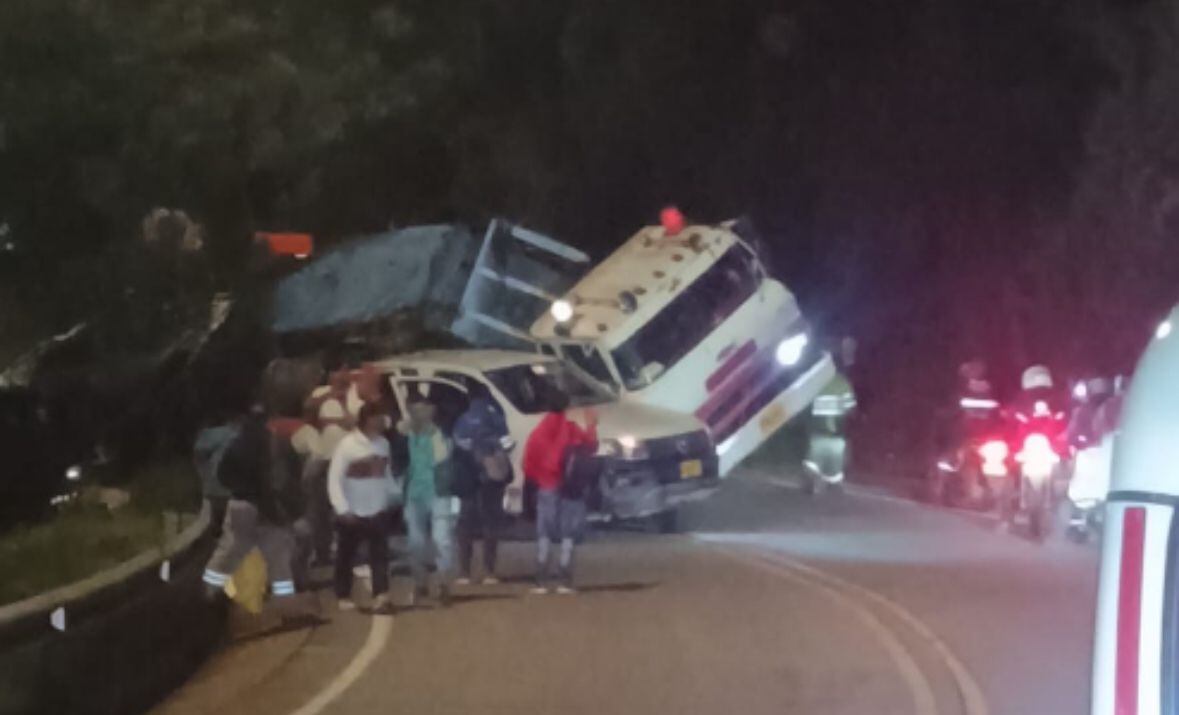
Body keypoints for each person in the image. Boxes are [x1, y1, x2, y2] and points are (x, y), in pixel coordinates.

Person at [201, 405, 305, 611]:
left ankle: (209, 591)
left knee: (230, 551)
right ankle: (285, 605)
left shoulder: (236, 444)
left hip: (240, 504)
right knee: (277, 555)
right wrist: (281, 510)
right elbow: (278, 479)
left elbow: (222, 474)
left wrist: (239, 489)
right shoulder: (272, 444)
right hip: (266, 508)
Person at [522, 389, 598, 594]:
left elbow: (528, 465)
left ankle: (540, 581)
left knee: (544, 533)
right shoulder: (572, 429)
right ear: (566, 407)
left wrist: (539, 478)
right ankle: (565, 581)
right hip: (570, 487)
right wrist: (592, 425)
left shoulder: (537, 433)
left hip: (546, 486)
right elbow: (591, 447)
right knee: (568, 534)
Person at [327, 403, 401, 612]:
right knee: (346, 555)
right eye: (378, 417)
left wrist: (394, 496)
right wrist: (342, 508)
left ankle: (381, 595)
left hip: (378, 509)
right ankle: (343, 593)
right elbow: (334, 479)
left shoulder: (383, 444)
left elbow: (386, 474)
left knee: (379, 555)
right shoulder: (347, 445)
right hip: (353, 511)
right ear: (367, 419)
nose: (381, 422)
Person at [399, 395, 457, 607]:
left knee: (442, 540)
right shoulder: (406, 433)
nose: (419, 415)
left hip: (438, 492)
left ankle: (443, 584)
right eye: (415, 411)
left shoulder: (439, 435)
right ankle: (420, 583)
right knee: (416, 543)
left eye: (423, 410)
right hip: (414, 493)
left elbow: (443, 458)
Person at [452, 384, 513, 585]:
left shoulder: (462, 420)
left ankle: (464, 572)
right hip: (492, 476)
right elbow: (507, 444)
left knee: (465, 524)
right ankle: (489, 571)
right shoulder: (495, 417)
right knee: (490, 522)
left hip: (468, 475)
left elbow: (457, 445)